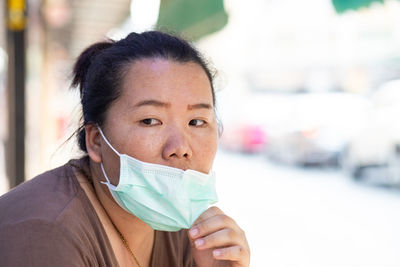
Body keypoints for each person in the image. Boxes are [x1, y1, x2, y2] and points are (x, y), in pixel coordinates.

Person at [0, 31, 250, 267]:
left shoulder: (187, 230)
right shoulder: (44, 232)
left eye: (197, 122)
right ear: (96, 140)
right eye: (150, 121)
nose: (181, 148)